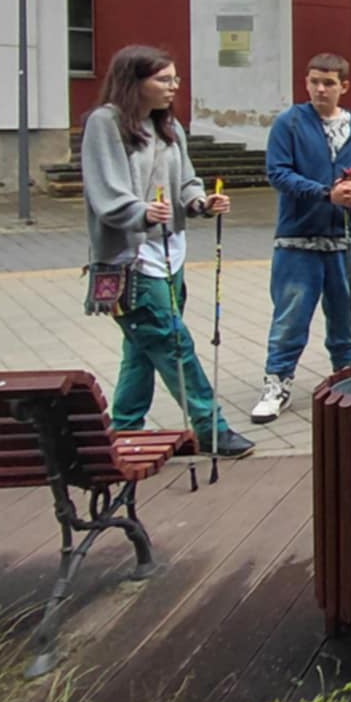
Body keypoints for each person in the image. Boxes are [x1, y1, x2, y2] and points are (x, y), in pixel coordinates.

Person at [79, 46, 249, 456]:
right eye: (163, 79)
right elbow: (107, 190)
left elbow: (186, 180)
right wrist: (140, 211)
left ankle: (125, 429)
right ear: (133, 82)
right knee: (173, 344)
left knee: (142, 348)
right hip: (129, 260)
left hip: (171, 252)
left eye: (175, 78)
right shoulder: (105, 123)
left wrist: (200, 202)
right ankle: (212, 428)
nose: (173, 86)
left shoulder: (168, 126)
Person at [251, 53, 351, 422]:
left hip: (345, 240)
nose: (320, 89)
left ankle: (348, 378)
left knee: (345, 315)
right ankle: (276, 383)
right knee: (291, 316)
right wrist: (326, 192)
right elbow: (278, 173)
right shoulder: (288, 124)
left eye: (328, 83)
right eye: (314, 82)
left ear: (344, 86)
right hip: (298, 239)